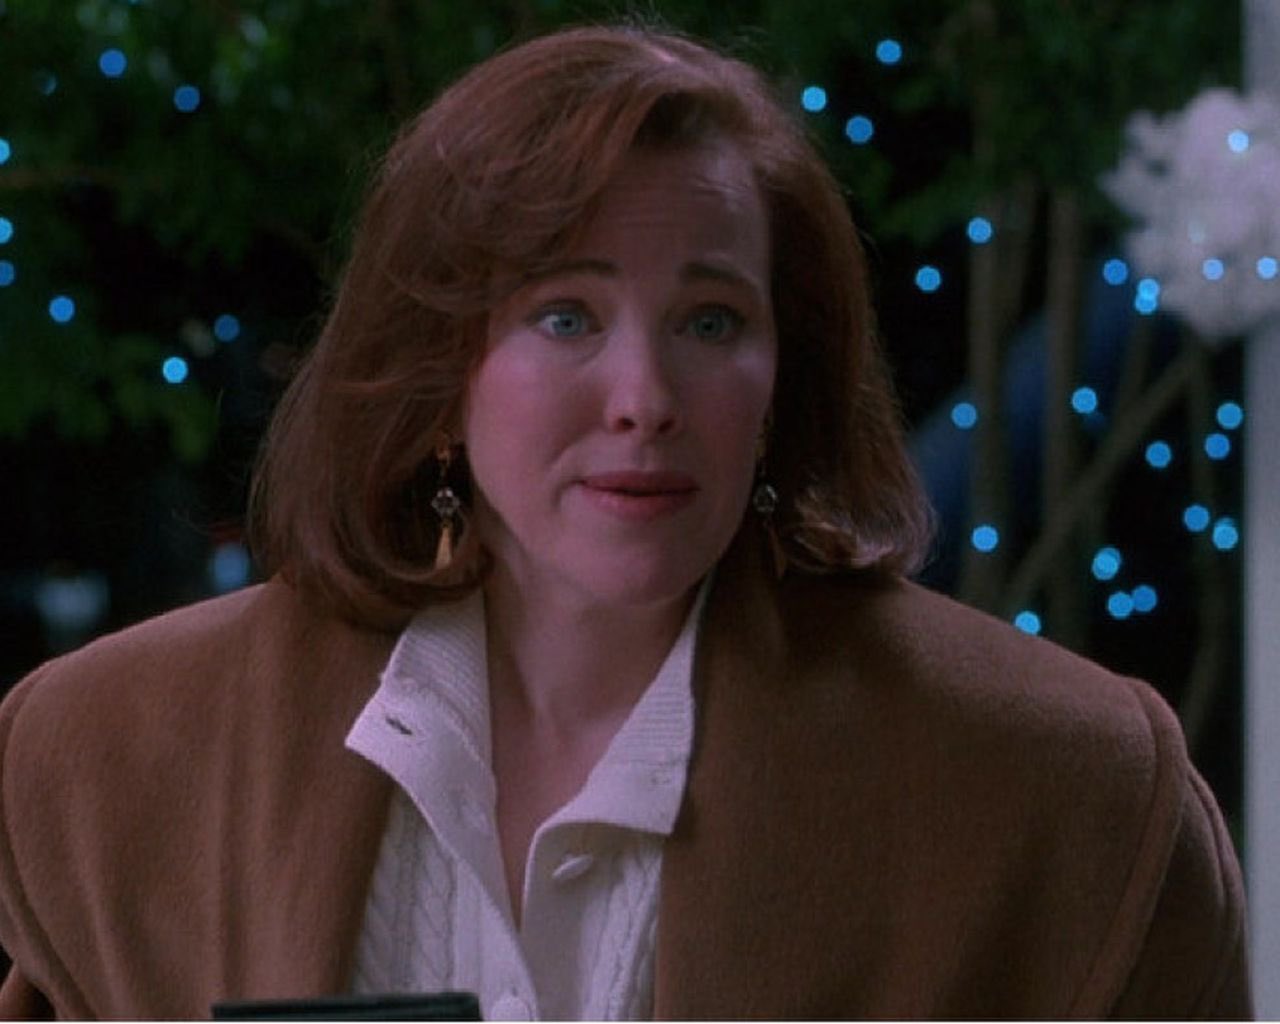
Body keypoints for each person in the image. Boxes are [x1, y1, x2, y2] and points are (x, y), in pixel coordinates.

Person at [0, 22, 1251, 1021]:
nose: (645, 397)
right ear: (438, 368)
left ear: (782, 378)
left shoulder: (1060, 796)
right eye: (565, 317)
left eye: (710, 321)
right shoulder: (101, 765)